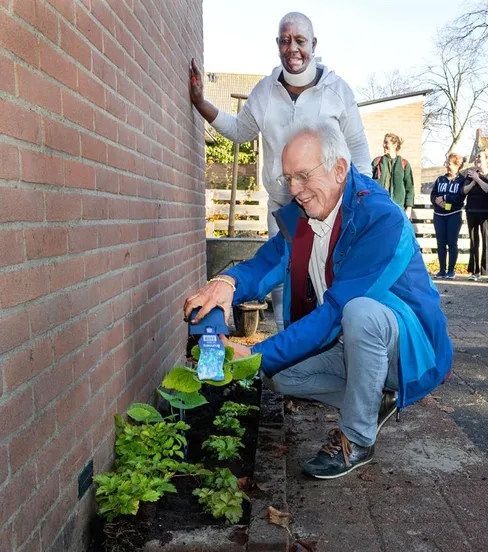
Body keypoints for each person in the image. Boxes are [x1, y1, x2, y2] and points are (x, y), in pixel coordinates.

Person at [183, 122, 453, 479]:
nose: (295, 190)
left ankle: (357, 438)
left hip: (408, 352)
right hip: (352, 347)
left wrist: (258, 353)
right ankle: (373, 401)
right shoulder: (307, 215)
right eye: (288, 179)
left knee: (359, 312)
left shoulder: (380, 219)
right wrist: (227, 283)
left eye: (303, 176)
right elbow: (269, 262)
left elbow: (336, 313)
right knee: (282, 375)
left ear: (339, 168)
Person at [189, 12, 371, 330]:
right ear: (277, 45)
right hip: (284, 207)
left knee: (328, 275)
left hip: (328, 205)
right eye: (285, 40)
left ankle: (334, 342)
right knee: (284, 278)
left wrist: (361, 199)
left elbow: (358, 149)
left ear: (313, 44)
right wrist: (201, 103)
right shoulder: (264, 92)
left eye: (300, 40)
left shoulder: (336, 91)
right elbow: (239, 130)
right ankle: (290, 343)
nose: (293, 48)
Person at [462, 149, 488, 280]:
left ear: (487, 159)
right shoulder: (470, 174)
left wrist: (478, 179)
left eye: (479, 157)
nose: (477, 159)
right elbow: (463, 190)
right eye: (476, 157)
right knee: (473, 241)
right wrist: (473, 181)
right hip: (471, 210)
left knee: (487, 239)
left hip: (486, 212)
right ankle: (474, 271)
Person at [431, 153, 467, 279]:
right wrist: (437, 200)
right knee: (441, 243)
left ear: (458, 165)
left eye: (450, 163)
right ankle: (442, 270)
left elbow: (460, 197)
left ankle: (451, 270)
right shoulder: (440, 179)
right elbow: (433, 194)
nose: (447, 165)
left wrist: (446, 198)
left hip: (454, 215)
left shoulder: (462, 180)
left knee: (452, 242)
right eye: (447, 163)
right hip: (439, 215)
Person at [371, 133, 414, 218]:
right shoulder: (377, 162)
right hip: (379, 208)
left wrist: (408, 209)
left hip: (398, 210)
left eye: (386, 142)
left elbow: (410, 188)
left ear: (394, 145)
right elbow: (368, 183)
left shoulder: (404, 164)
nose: (383, 145)